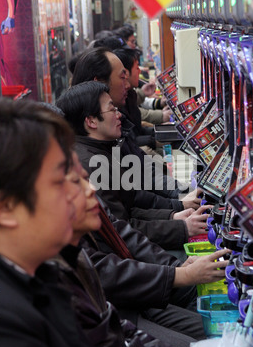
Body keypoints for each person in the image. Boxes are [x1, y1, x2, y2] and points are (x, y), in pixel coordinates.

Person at [56, 152, 253, 347]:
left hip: (134, 303)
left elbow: (116, 330)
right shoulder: (31, 297)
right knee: (205, 340)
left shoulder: (67, 260)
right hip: (132, 300)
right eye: (72, 182)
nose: (91, 188)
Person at [0, 97, 122, 347]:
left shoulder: (41, 273)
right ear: (6, 208)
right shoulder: (4, 325)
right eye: (61, 180)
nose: (85, 190)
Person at [56, 80, 209, 252]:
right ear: (91, 121)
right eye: (112, 109)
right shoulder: (91, 163)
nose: (118, 114)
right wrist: (178, 269)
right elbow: (122, 230)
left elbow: (129, 207)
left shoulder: (103, 148)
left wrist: (174, 213)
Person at [69, 45, 199, 200]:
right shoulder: (91, 153)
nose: (129, 85)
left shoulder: (113, 120)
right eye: (122, 77)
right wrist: (178, 209)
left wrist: (181, 199)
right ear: (99, 83)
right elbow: (130, 207)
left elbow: (141, 169)